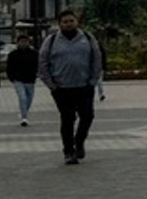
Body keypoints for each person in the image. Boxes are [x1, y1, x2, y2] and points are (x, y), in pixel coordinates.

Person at [39, 10, 104, 165]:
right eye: (65, 22)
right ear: (60, 24)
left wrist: (93, 81)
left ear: (77, 22)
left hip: (84, 86)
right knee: (68, 119)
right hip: (62, 88)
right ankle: (68, 151)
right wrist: (52, 85)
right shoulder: (52, 40)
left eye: (71, 21)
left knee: (87, 116)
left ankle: (79, 141)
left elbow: (97, 59)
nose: (69, 24)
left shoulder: (88, 38)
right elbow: (42, 63)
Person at [6, 31, 40, 125]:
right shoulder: (13, 54)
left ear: (28, 42)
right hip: (18, 80)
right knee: (22, 98)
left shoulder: (34, 54)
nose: (23, 43)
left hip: (30, 80)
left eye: (25, 41)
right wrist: (11, 77)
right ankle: (24, 117)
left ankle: (23, 112)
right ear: (17, 43)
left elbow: (38, 65)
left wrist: (37, 74)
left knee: (29, 99)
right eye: (21, 41)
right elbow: (9, 67)